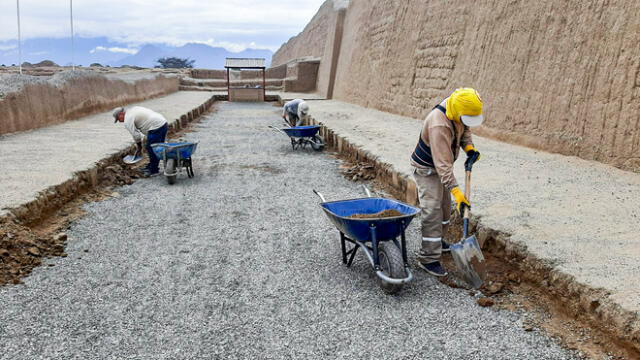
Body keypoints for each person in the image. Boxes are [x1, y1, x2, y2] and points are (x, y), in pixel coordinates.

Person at [410, 88, 483, 277]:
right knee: (433, 210)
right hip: (427, 169)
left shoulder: (457, 106)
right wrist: (459, 194)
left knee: (444, 208)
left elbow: (464, 128)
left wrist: (469, 148)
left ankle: (438, 241)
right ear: (457, 112)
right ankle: (428, 258)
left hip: (441, 167)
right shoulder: (438, 124)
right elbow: (442, 167)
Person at [113, 106, 168, 177]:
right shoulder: (133, 109)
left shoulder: (128, 119)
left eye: (118, 119)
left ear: (121, 114)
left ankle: (154, 170)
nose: (120, 121)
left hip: (156, 127)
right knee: (158, 147)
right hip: (163, 123)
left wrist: (139, 147)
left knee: (151, 148)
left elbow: (136, 135)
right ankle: (152, 166)